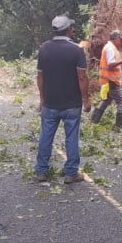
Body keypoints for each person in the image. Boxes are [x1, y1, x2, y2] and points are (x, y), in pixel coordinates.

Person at [35, 15, 91, 183]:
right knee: (71, 138)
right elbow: (82, 77)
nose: (73, 30)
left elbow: (40, 77)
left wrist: (42, 98)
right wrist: (86, 99)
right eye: (72, 28)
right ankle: (71, 173)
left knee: (46, 136)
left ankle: (41, 171)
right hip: (71, 104)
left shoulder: (44, 49)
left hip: (50, 102)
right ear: (68, 30)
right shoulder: (76, 50)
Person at [91, 30, 122, 131]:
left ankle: (94, 120)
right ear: (116, 39)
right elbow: (110, 64)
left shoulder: (112, 48)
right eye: (121, 40)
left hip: (109, 79)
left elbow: (113, 65)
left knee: (106, 100)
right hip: (111, 81)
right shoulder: (110, 48)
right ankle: (120, 127)